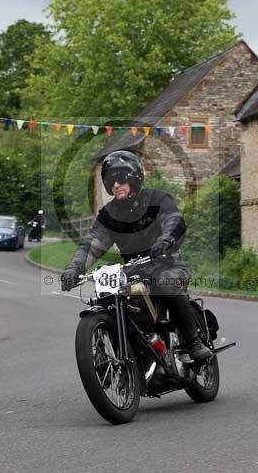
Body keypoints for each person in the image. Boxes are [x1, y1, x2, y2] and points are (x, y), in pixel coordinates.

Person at [59, 150, 212, 362]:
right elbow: (92, 245)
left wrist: (165, 240)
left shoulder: (157, 199)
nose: (115, 185)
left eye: (120, 179)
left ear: (134, 178)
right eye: (111, 181)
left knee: (166, 283)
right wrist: (73, 269)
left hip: (167, 263)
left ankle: (192, 343)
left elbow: (174, 221)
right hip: (133, 271)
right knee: (109, 300)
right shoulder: (109, 214)